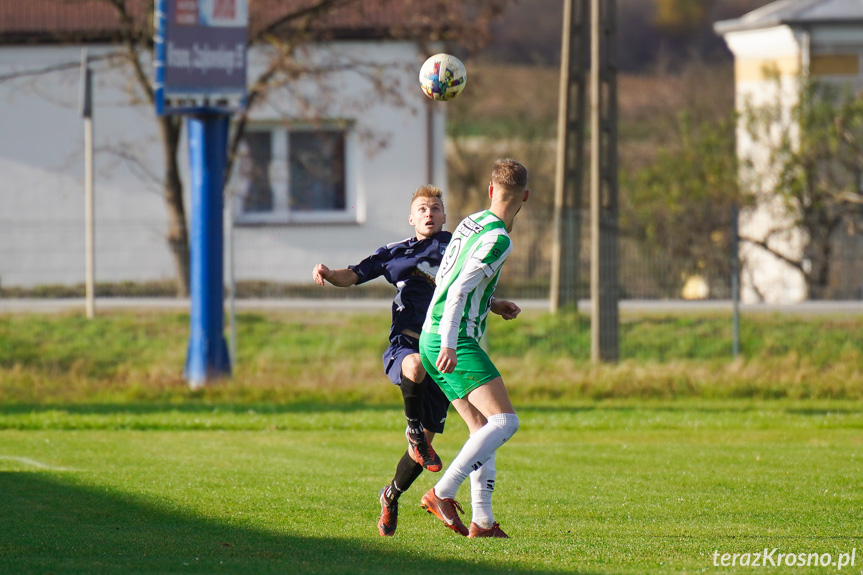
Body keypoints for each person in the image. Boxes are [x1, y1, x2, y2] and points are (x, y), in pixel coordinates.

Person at [312, 185, 466, 537]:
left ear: (445, 217)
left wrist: (498, 304)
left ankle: (390, 496)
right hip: (407, 344)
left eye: (436, 208)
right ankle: (414, 431)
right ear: (411, 218)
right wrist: (328, 271)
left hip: (443, 354)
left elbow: (471, 288)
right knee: (413, 367)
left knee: (419, 455)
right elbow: (353, 274)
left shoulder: (457, 250)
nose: (430, 213)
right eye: (423, 209)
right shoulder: (395, 253)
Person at [418, 158, 529, 538]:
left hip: (430, 334)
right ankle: (442, 492)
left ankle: (482, 521)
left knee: (481, 427)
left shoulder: (470, 222)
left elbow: (449, 278)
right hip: (451, 337)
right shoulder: (500, 238)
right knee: (505, 422)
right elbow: (460, 288)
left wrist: (492, 303)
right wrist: (450, 341)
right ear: (525, 197)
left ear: (490, 190)